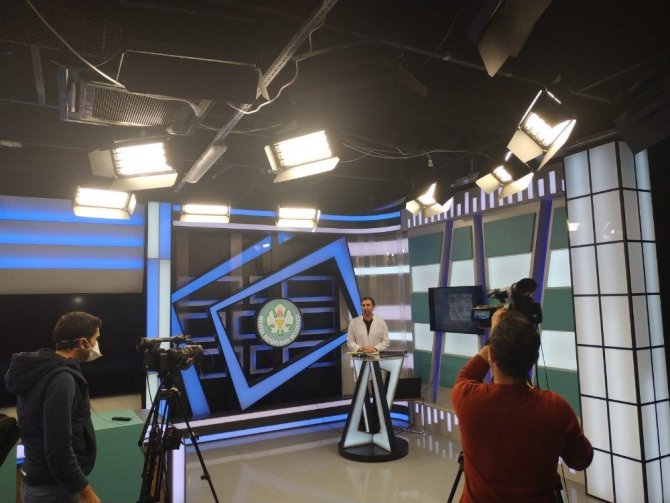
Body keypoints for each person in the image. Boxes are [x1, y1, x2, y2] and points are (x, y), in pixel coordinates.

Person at [451, 308, 593, 503]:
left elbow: (466, 375)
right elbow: (582, 460)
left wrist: (495, 335)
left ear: (492, 355)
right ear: (534, 358)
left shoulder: (468, 399)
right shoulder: (555, 408)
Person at [5, 311, 103, 503]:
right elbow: (58, 447)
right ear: (83, 342)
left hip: (41, 482)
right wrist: (86, 491)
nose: (97, 344)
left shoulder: (42, 368)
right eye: (95, 339)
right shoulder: (61, 379)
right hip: (54, 490)